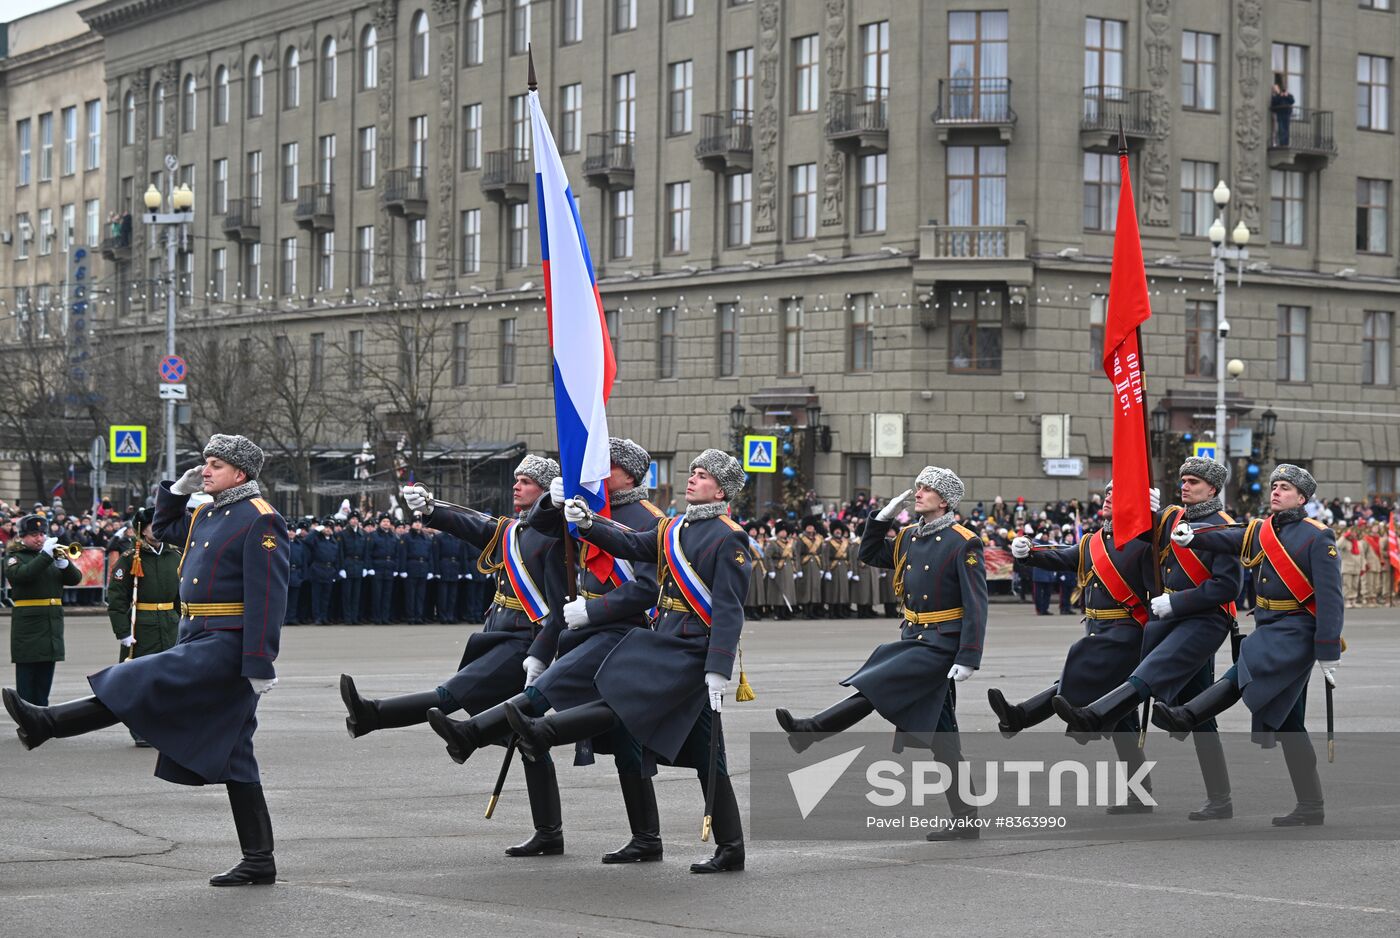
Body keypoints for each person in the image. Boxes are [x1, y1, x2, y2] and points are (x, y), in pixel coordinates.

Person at [4, 434, 289, 886]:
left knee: (139, 677)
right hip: (196, 633)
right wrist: (175, 491)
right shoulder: (208, 512)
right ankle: (259, 859)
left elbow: (268, 597)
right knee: (237, 755)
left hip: (227, 644)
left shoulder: (261, 519)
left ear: (241, 473)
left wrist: (260, 662)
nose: (206, 470)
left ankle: (49, 723)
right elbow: (168, 527)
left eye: (215, 464)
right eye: (205, 462)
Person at [504, 449, 752, 874]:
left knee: (622, 692)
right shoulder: (674, 528)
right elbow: (632, 543)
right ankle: (730, 847)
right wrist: (589, 523)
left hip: (692, 651)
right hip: (668, 641)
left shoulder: (728, 536)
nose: (692, 478)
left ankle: (544, 730)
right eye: (692, 471)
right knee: (710, 757)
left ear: (722, 489)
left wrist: (718, 667)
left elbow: (729, 608)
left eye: (703, 474)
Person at [429, 438, 668, 864]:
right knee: (567, 728)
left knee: (596, 728)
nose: (595, 473)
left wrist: (593, 612)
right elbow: (536, 526)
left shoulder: (649, 518)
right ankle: (554, 832)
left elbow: (648, 588)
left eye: (605, 465)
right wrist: (550, 500)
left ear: (628, 473)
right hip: (585, 631)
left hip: (628, 637)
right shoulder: (595, 507)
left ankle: (473, 733)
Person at [339, 456, 569, 857]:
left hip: (523, 642)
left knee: (453, 695)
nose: (516, 486)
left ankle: (373, 715)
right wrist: (433, 509)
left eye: (527, 481)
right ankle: (549, 831)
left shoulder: (554, 536)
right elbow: (474, 525)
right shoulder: (515, 529)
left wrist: (540, 653)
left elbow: (557, 604)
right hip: (499, 635)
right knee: (528, 738)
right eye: (516, 479)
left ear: (546, 491)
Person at [776, 467, 987, 841]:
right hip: (914, 635)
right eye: (918, 485)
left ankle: (813, 730)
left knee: (878, 681)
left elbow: (976, 604)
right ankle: (967, 816)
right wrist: (881, 519)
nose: (918, 492)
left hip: (941, 643)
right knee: (943, 737)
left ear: (945, 500)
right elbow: (871, 553)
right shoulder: (908, 536)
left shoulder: (963, 542)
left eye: (927, 489)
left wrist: (968, 655)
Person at [1053, 459, 1242, 821]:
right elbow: (1139, 542)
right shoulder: (1172, 519)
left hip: (1200, 622)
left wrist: (1177, 601)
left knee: (1151, 680)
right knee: (1199, 713)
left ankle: (1094, 716)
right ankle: (1205, 797)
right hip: (1169, 622)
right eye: (1183, 480)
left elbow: (1227, 587)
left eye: (1194, 482)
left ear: (1213, 489)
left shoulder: (1225, 528)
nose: (1185, 487)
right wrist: (1141, 510)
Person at [1156, 465, 1343, 826]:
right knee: (1290, 722)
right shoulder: (1261, 529)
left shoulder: (1317, 537)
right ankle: (1311, 805)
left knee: (1247, 666)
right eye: (1274, 486)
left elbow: (1331, 599)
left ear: (1302, 498)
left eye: (1285, 488)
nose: (1276, 492)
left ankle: (1188, 714)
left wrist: (1328, 651)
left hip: (1297, 630)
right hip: (1270, 624)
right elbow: (1230, 538)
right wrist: (1191, 538)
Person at [989, 481, 1160, 814]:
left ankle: (1020, 716)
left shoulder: (1143, 543)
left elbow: (1160, 588)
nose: (1108, 498)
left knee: (1079, 670)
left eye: (1116, 494)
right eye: (1107, 494)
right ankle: (1140, 793)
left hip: (1128, 632)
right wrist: (1030, 551)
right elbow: (1062, 556)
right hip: (1099, 629)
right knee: (1122, 719)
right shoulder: (1095, 541)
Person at [104, 508, 182, 746]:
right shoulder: (130, 558)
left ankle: (165, 725)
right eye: (151, 525)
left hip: (170, 624)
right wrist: (123, 632)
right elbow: (117, 601)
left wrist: (184, 624)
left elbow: (181, 596)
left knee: (169, 679)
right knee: (141, 680)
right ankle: (140, 729)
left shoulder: (175, 556)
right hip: (142, 627)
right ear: (142, 529)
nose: (156, 529)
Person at [5, 514, 83, 704]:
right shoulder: (15, 558)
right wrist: (46, 556)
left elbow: (75, 579)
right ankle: (27, 723)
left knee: (44, 681)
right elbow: (24, 575)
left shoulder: (49, 557)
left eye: (41, 534)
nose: (39, 538)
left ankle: (41, 719)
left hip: (52, 624)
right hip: (28, 626)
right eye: (33, 534)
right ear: (22, 536)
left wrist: (64, 564)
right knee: (27, 681)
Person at [307, 518, 342, 625]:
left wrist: (336, 572)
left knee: (326, 597)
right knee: (316, 596)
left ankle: (324, 616)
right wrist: (317, 530)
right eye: (326, 527)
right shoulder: (316, 539)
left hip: (329, 570)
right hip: (318, 568)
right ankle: (317, 617)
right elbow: (307, 541)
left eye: (330, 527)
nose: (327, 529)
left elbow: (337, 558)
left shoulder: (334, 541)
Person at [367, 513, 401, 624]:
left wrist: (396, 567)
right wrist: (370, 567)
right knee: (377, 594)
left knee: (387, 595)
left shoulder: (393, 536)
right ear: (380, 523)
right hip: (378, 566)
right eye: (384, 521)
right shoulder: (373, 535)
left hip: (389, 566)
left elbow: (397, 554)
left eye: (388, 521)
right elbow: (369, 552)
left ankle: (385, 617)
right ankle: (377, 618)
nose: (386, 523)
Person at [339, 511, 368, 625]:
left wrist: (365, 566)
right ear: (349, 520)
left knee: (356, 595)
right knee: (347, 595)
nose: (354, 521)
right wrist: (341, 568)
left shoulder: (363, 533)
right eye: (352, 519)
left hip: (359, 565)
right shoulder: (343, 534)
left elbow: (365, 551)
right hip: (348, 564)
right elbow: (340, 552)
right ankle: (347, 618)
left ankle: (354, 617)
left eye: (356, 519)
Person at [1271, 74, 1295, 147]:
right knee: (1281, 129)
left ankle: (1285, 143)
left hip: (1287, 114)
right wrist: (1280, 96)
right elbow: (1274, 102)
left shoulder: (1288, 95)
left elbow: (1292, 101)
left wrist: (1286, 95)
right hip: (1280, 114)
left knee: (1286, 129)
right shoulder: (1278, 96)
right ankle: (1282, 143)